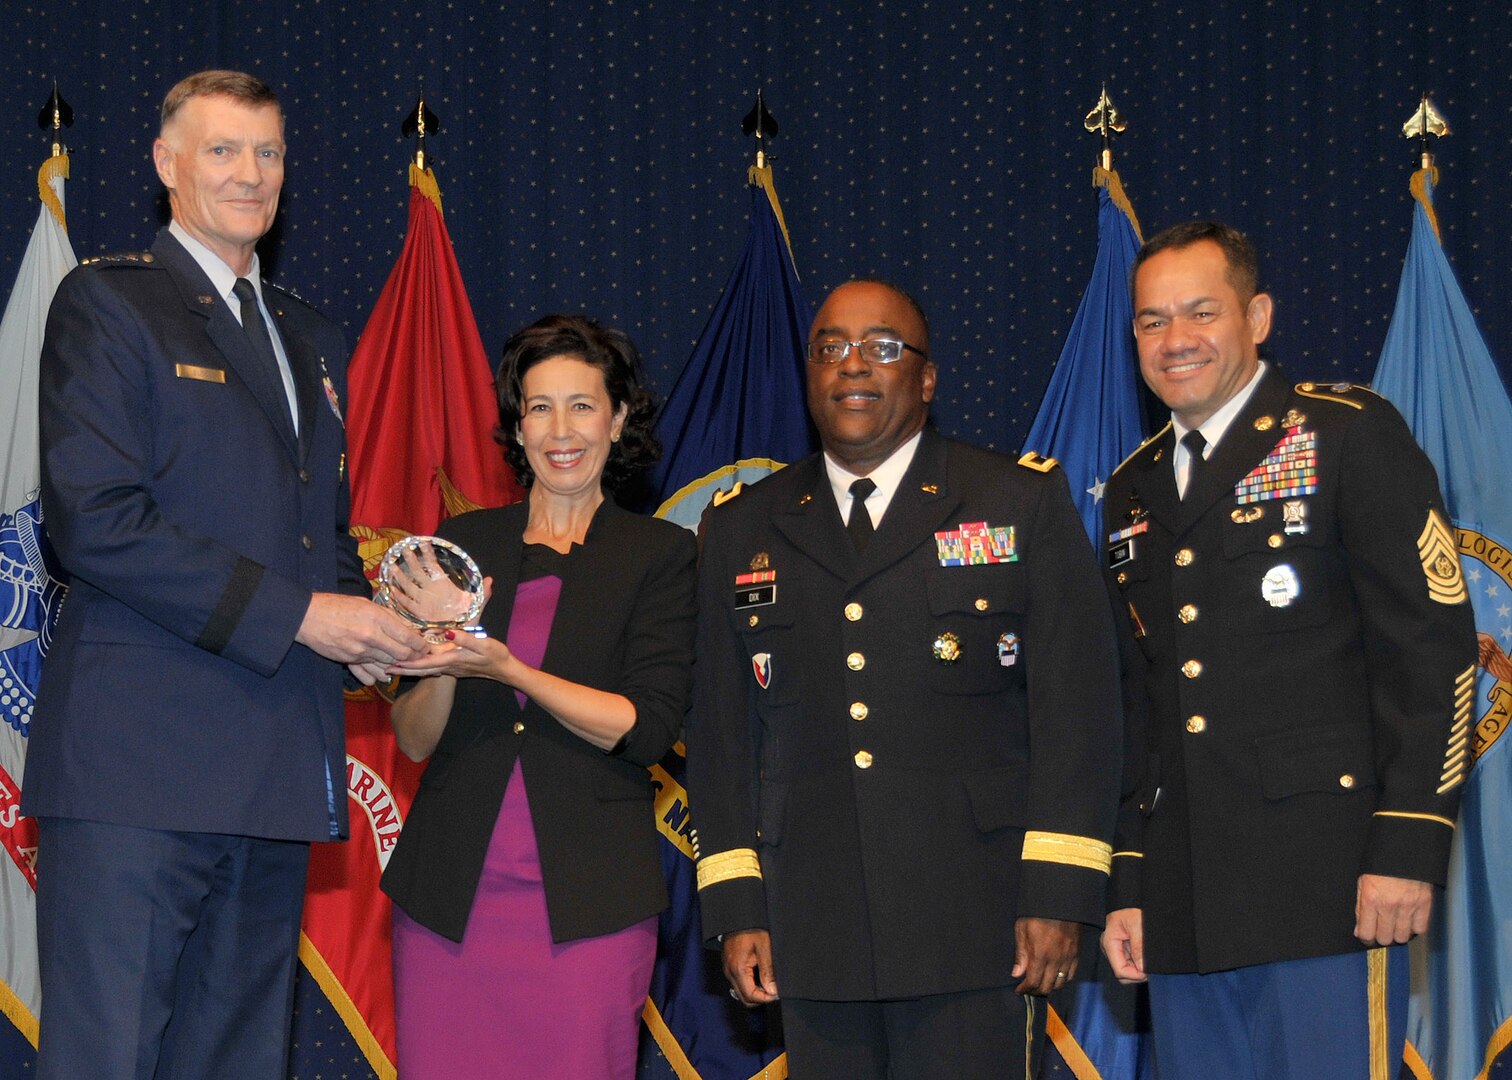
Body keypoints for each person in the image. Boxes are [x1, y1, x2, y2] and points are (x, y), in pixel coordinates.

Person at [25, 70, 427, 1079]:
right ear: (167, 166)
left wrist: (380, 635)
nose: (251, 176)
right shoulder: (109, 304)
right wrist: (308, 618)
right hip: (137, 774)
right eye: (222, 151)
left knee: (242, 1063)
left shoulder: (311, 335)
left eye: (269, 153)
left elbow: (318, 537)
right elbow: (96, 526)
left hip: (276, 772)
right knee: (107, 1061)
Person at [686, 279, 1121, 1078]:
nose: (853, 365)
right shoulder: (744, 525)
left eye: (883, 347)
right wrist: (738, 907)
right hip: (809, 919)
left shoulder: (1016, 502)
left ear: (926, 378)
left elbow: (1080, 715)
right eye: (830, 348)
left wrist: (1058, 893)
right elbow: (719, 738)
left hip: (975, 915)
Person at [1099, 220, 1477, 1077]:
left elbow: (1436, 653)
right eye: (1153, 321)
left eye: (1201, 312)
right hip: (1185, 891)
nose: (1176, 340)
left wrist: (1408, 845)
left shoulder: (1345, 435)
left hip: (1330, 879)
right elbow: (1139, 705)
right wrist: (1131, 881)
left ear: (1257, 315)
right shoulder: (1134, 488)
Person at [379, 314, 696, 1080]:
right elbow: (414, 740)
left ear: (619, 420)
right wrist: (449, 657)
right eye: (539, 406)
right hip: (448, 900)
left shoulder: (662, 555)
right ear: (517, 428)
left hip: (587, 908)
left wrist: (512, 671)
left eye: (583, 405)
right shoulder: (465, 543)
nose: (562, 428)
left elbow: (642, 728)